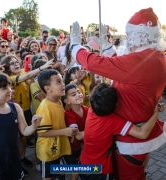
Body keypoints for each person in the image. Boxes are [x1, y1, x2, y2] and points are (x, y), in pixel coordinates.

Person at [70, 8, 166, 180]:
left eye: (129, 35)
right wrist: (106, 45)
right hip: (137, 129)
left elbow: (94, 63)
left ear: (139, 36)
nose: (127, 39)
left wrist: (75, 46)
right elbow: (124, 64)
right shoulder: (156, 56)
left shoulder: (141, 61)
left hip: (130, 138)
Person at [76, 83, 159, 180]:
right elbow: (142, 133)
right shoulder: (113, 121)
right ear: (116, 105)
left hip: (83, 162)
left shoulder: (91, 111)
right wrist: (156, 113)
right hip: (99, 170)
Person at [0, 55, 54, 176]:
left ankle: (22, 157)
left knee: (24, 137)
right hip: (14, 111)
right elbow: (28, 76)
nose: (16, 64)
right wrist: (41, 68)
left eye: (16, 62)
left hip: (25, 110)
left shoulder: (22, 72)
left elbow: (30, 80)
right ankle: (16, 164)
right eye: (12, 63)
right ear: (7, 68)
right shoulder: (11, 78)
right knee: (16, 139)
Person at [0, 72, 42, 180]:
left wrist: (34, 126)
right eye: (3, 88)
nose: (9, 90)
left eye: (9, 86)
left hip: (13, 155)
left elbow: (24, 130)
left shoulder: (15, 107)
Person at [36, 69, 78, 180]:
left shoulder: (58, 101)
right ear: (48, 89)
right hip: (48, 151)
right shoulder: (45, 107)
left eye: (62, 81)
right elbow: (41, 133)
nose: (63, 84)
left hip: (61, 146)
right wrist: (64, 131)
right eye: (58, 82)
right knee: (49, 177)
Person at [62, 84, 89, 180]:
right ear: (67, 101)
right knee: (75, 173)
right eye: (73, 94)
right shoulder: (68, 114)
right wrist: (95, 130)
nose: (79, 94)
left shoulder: (87, 109)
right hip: (71, 148)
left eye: (78, 92)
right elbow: (77, 136)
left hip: (82, 146)